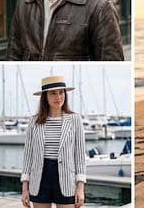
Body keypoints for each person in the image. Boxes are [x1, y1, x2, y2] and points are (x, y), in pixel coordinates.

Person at [21, 75, 87, 208]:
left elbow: (80, 155)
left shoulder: (75, 119)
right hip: (39, 180)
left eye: (61, 92)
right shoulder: (33, 121)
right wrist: (24, 188)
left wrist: (80, 187)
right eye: (53, 93)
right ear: (45, 96)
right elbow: (28, 156)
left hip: (66, 179)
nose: (58, 97)